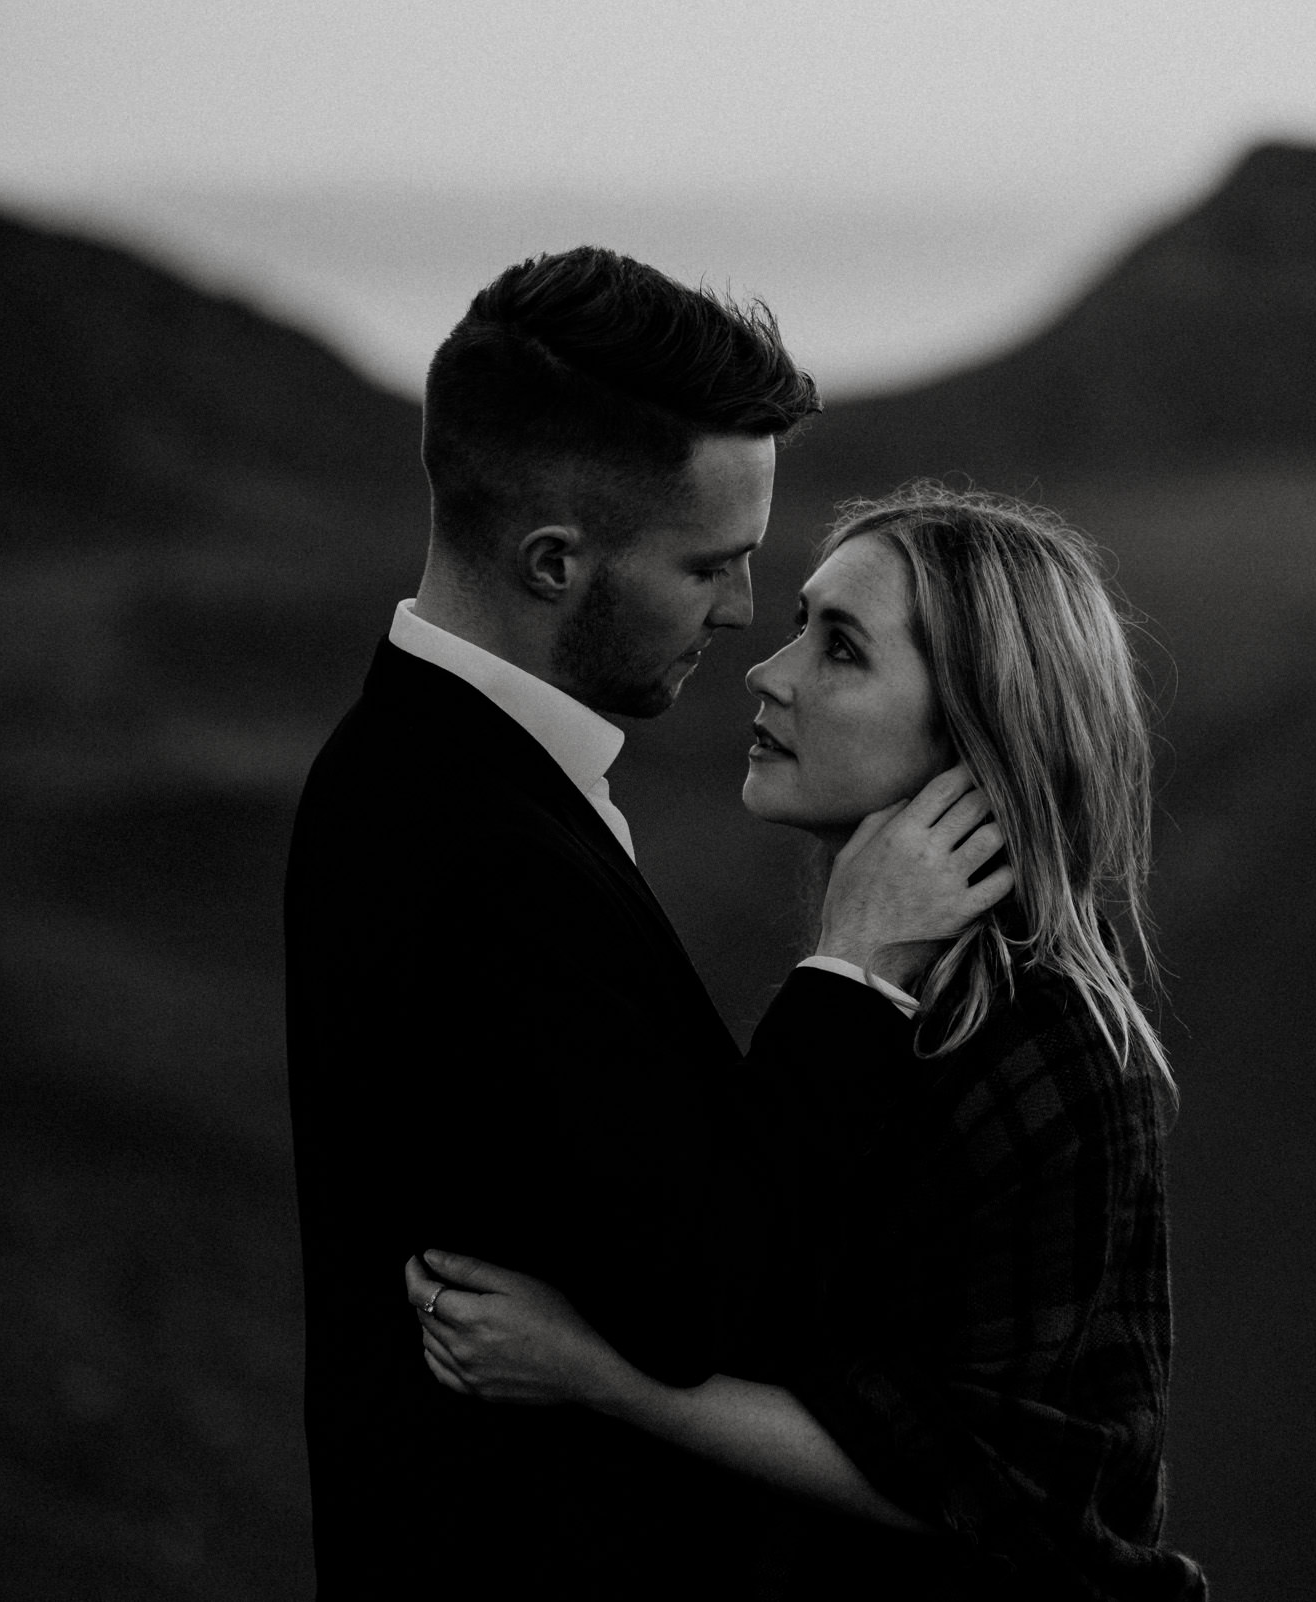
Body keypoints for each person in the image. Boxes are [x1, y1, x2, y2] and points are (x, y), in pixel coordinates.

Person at [284, 251, 1009, 1596]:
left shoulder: (419, 773)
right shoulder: (479, 850)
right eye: (711, 565)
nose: (742, 612)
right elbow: (698, 1300)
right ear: (555, 561)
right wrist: (849, 970)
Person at [401, 486, 1207, 1599]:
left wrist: (594, 1371)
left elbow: (1000, 1482)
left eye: (840, 649)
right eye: (797, 625)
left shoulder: (1053, 1046)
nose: (768, 674)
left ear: (978, 730)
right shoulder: (889, 994)